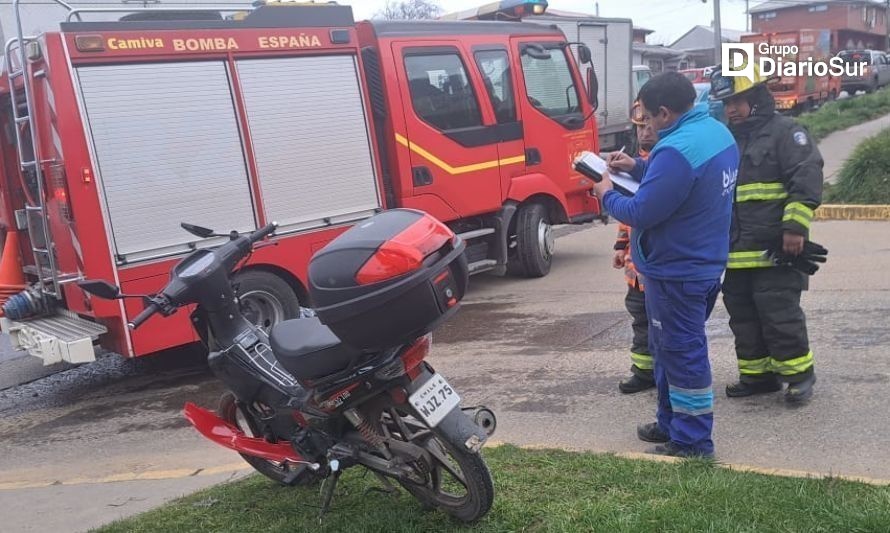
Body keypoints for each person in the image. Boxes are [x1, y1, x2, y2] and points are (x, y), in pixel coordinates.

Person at [593, 72, 738, 458]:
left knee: (683, 354)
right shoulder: (716, 133)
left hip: (676, 270)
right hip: (702, 262)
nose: (648, 126)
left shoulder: (675, 150)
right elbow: (685, 184)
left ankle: (692, 441)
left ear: (664, 112)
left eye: (649, 118)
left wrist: (606, 192)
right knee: (669, 349)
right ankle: (670, 422)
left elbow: (642, 211)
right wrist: (637, 168)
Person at [709, 66, 823, 403]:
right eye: (726, 103)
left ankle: (800, 375)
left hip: (776, 248)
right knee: (743, 317)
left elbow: (806, 178)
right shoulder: (727, 140)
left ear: (757, 97)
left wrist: (794, 227)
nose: (731, 109)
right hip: (735, 252)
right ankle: (757, 377)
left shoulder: (786, 133)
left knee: (779, 314)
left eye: (737, 101)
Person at [613, 102, 658, 394]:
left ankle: (662, 369)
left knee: (661, 322)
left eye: (649, 125)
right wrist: (620, 245)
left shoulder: (667, 161)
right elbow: (628, 213)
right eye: (640, 126)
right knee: (640, 318)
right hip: (636, 267)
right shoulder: (632, 163)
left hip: (658, 263)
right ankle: (643, 371)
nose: (644, 132)